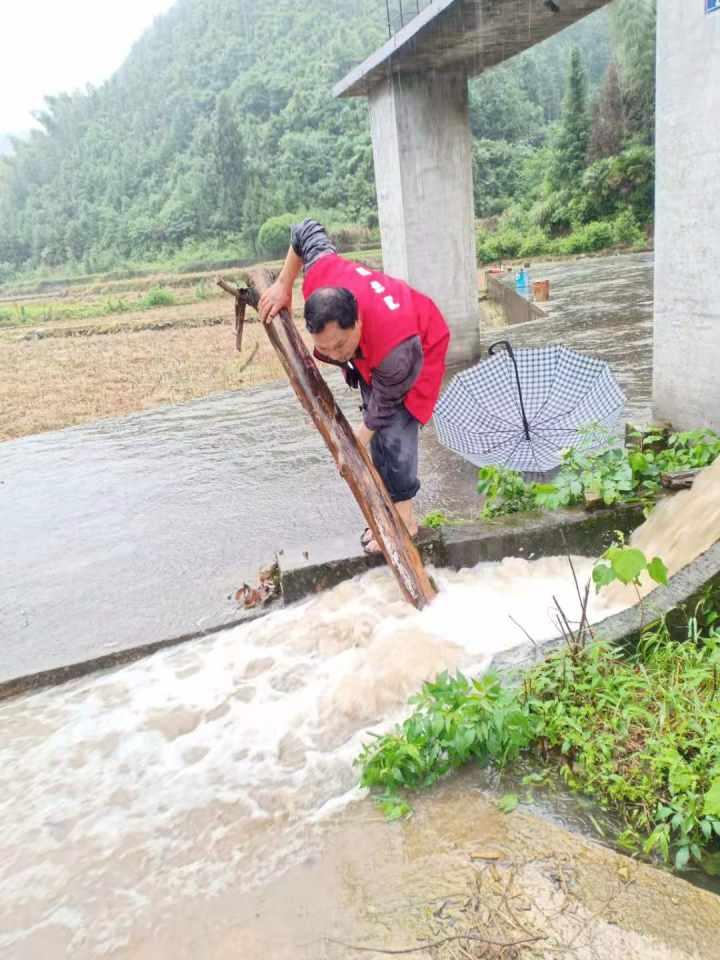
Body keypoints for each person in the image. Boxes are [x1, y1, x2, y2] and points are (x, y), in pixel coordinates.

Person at [259, 219, 450, 555]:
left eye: (340, 345)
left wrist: (357, 439)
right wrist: (284, 284)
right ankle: (386, 508)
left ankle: (405, 519)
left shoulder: (397, 353)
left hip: (420, 340)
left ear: (358, 320)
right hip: (376, 348)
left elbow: (385, 407)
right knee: (373, 418)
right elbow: (305, 230)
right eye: (326, 348)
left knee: (393, 430)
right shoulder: (322, 273)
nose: (333, 354)